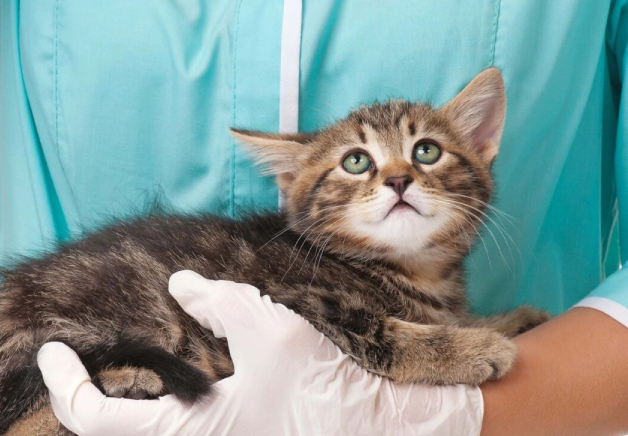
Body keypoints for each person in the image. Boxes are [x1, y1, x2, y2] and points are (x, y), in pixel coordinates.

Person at [2, 0, 628, 434]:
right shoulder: (316, 266)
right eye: (361, 165)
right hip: (70, 345)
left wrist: (455, 419)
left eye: (424, 153)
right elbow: (333, 319)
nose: (397, 179)